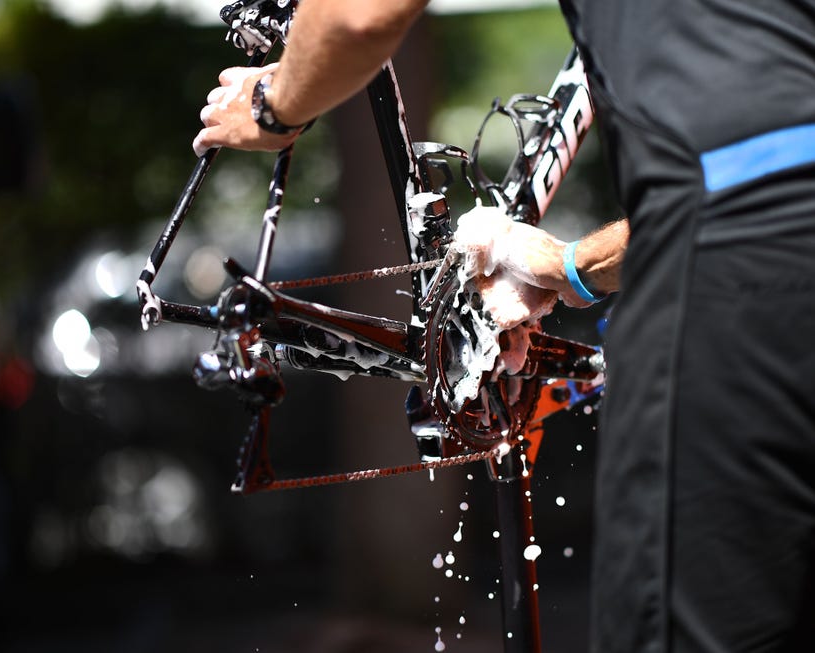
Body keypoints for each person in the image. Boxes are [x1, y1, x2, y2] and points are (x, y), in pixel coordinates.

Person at [192, 1, 815, 651]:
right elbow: (760, 178)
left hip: (737, 283)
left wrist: (274, 102)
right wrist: (567, 267)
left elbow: (357, 15)